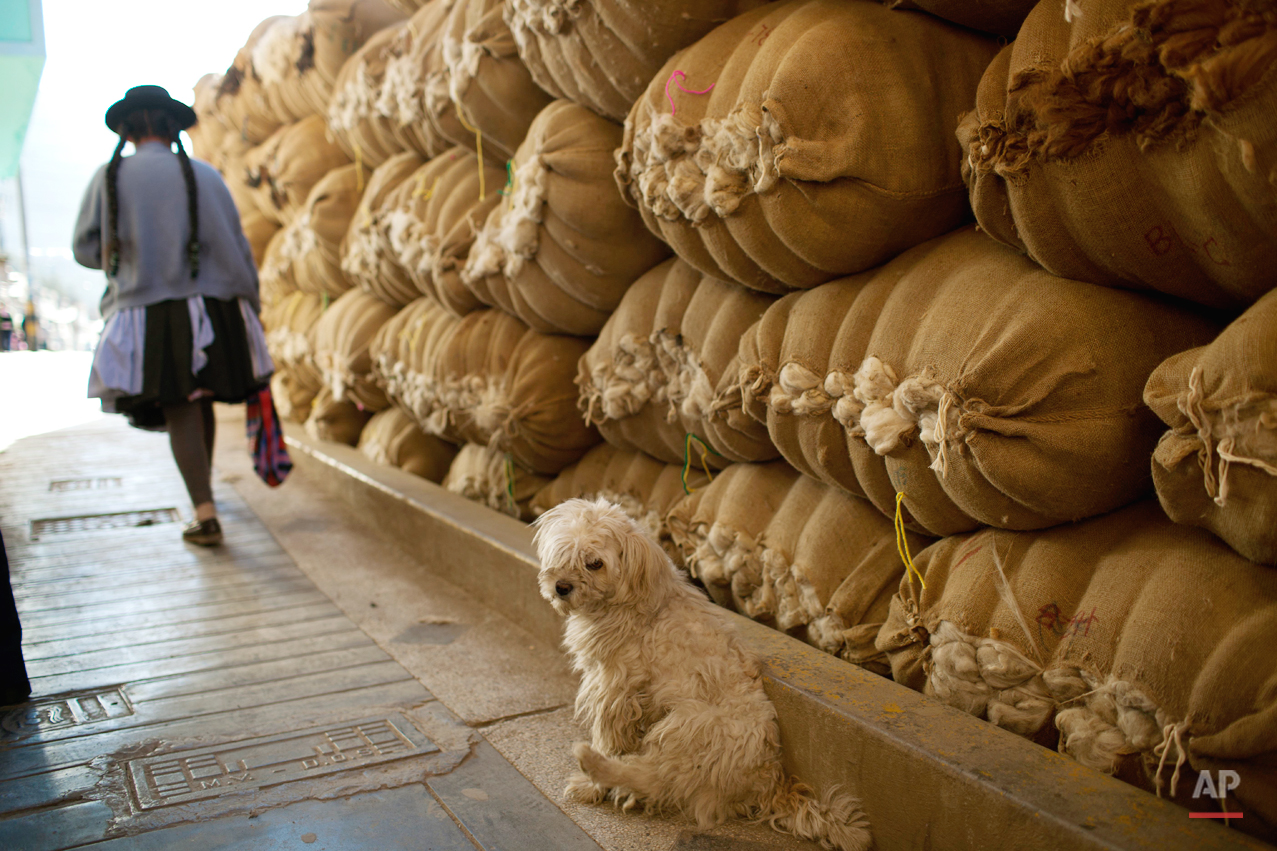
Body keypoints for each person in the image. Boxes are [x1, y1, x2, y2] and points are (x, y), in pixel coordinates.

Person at [73, 85, 272, 547]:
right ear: (171, 128)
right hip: (217, 307)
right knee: (197, 400)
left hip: (155, 311)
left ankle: (204, 512)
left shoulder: (110, 178)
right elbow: (238, 250)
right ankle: (206, 499)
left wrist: (127, 252)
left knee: (181, 404)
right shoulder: (206, 176)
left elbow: (86, 248)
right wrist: (251, 311)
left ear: (128, 129)